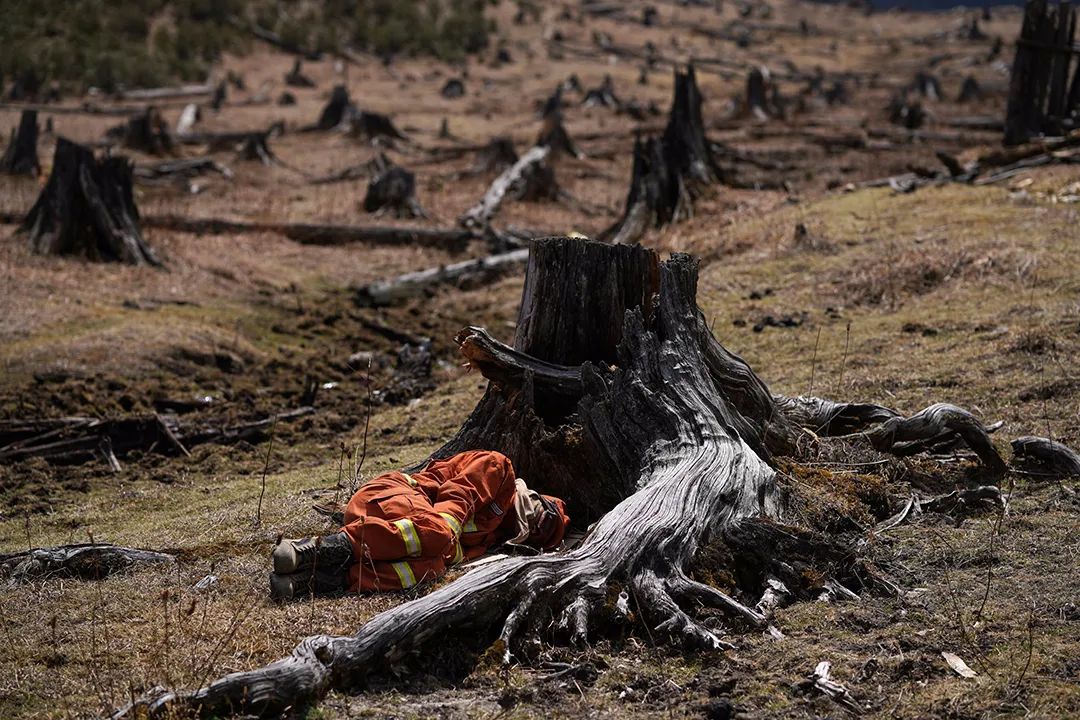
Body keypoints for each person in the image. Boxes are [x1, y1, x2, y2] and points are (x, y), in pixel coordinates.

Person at [270, 449, 570, 599]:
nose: (541, 526)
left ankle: (312, 582)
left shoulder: (491, 541)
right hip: (388, 496)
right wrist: (448, 530)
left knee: (434, 567)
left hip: (387, 527)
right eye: (547, 517)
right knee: (439, 536)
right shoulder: (499, 469)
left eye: (544, 534)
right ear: (532, 496)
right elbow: (458, 494)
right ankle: (316, 548)